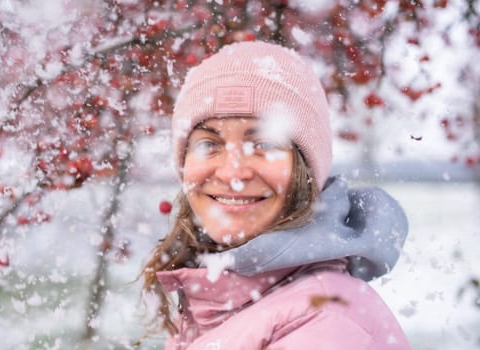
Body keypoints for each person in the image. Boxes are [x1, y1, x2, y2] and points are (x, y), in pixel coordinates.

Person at [141, 41, 412, 349]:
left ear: (304, 170)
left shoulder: (326, 321)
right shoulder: (213, 300)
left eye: (264, 145)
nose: (232, 173)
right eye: (208, 145)